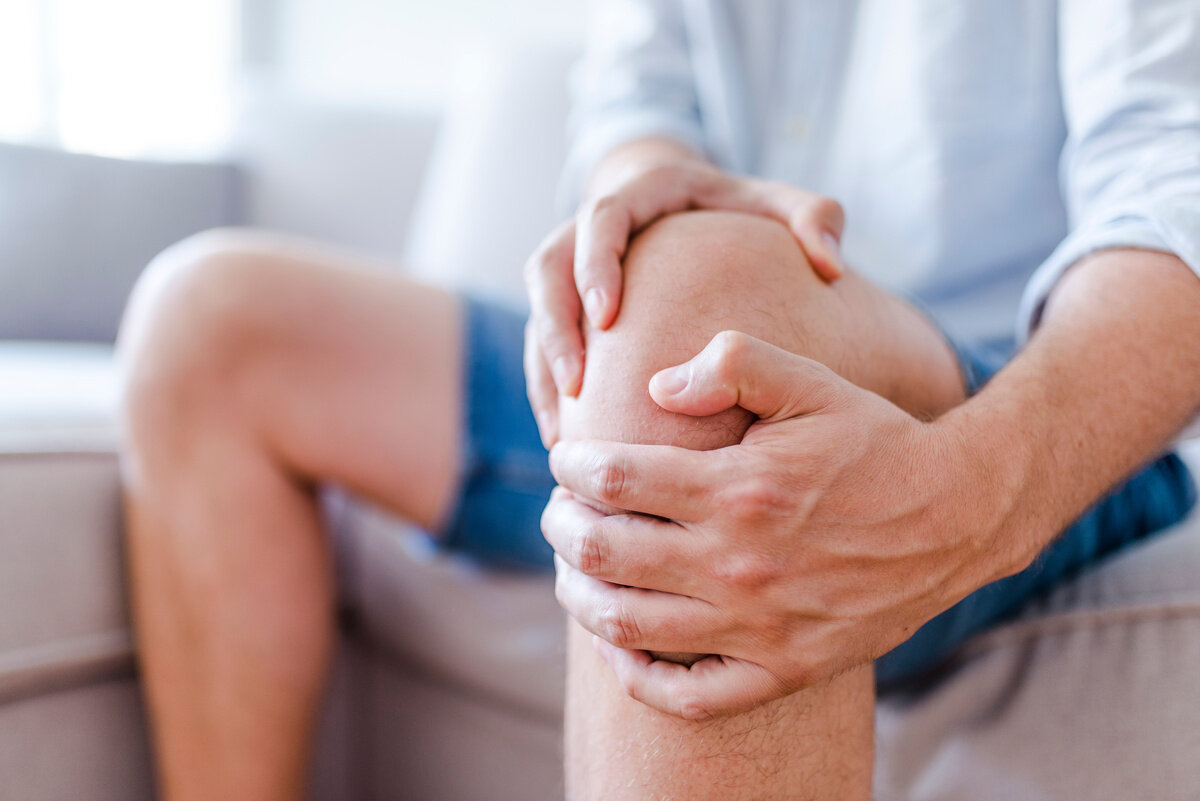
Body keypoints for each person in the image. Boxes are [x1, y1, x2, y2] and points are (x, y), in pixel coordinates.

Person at [116, 2, 1200, 800]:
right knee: (206, 322)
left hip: (1027, 393)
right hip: (687, 341)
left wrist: (965, 488)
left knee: (705, 332)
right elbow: (636, 107)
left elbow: (1175, 201)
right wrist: (639, 191)